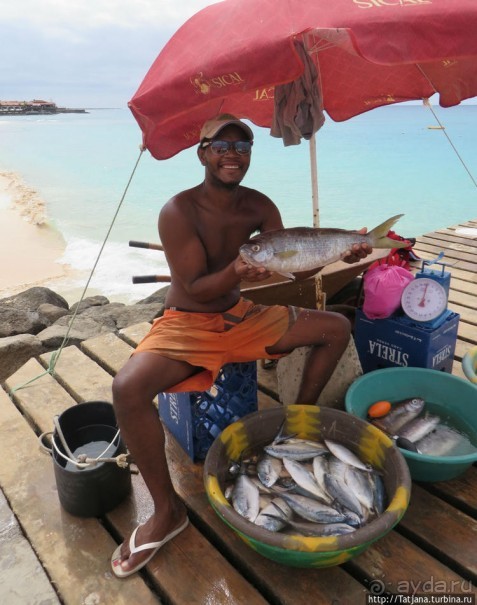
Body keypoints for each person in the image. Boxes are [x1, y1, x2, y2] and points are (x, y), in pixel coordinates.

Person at [110, 114, 372, 577]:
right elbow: (194, 285)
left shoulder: (260, 206)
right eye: (221, 145)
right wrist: (237, 271)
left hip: (244, 319)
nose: (233, 153)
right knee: (127, 389)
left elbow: (296, 265)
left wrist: (340, 252)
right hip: (189, 323)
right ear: (202, 153)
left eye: (244, 146)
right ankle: (167, 511)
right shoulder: (178, 211)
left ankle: (298, 422)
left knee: (335, 326)